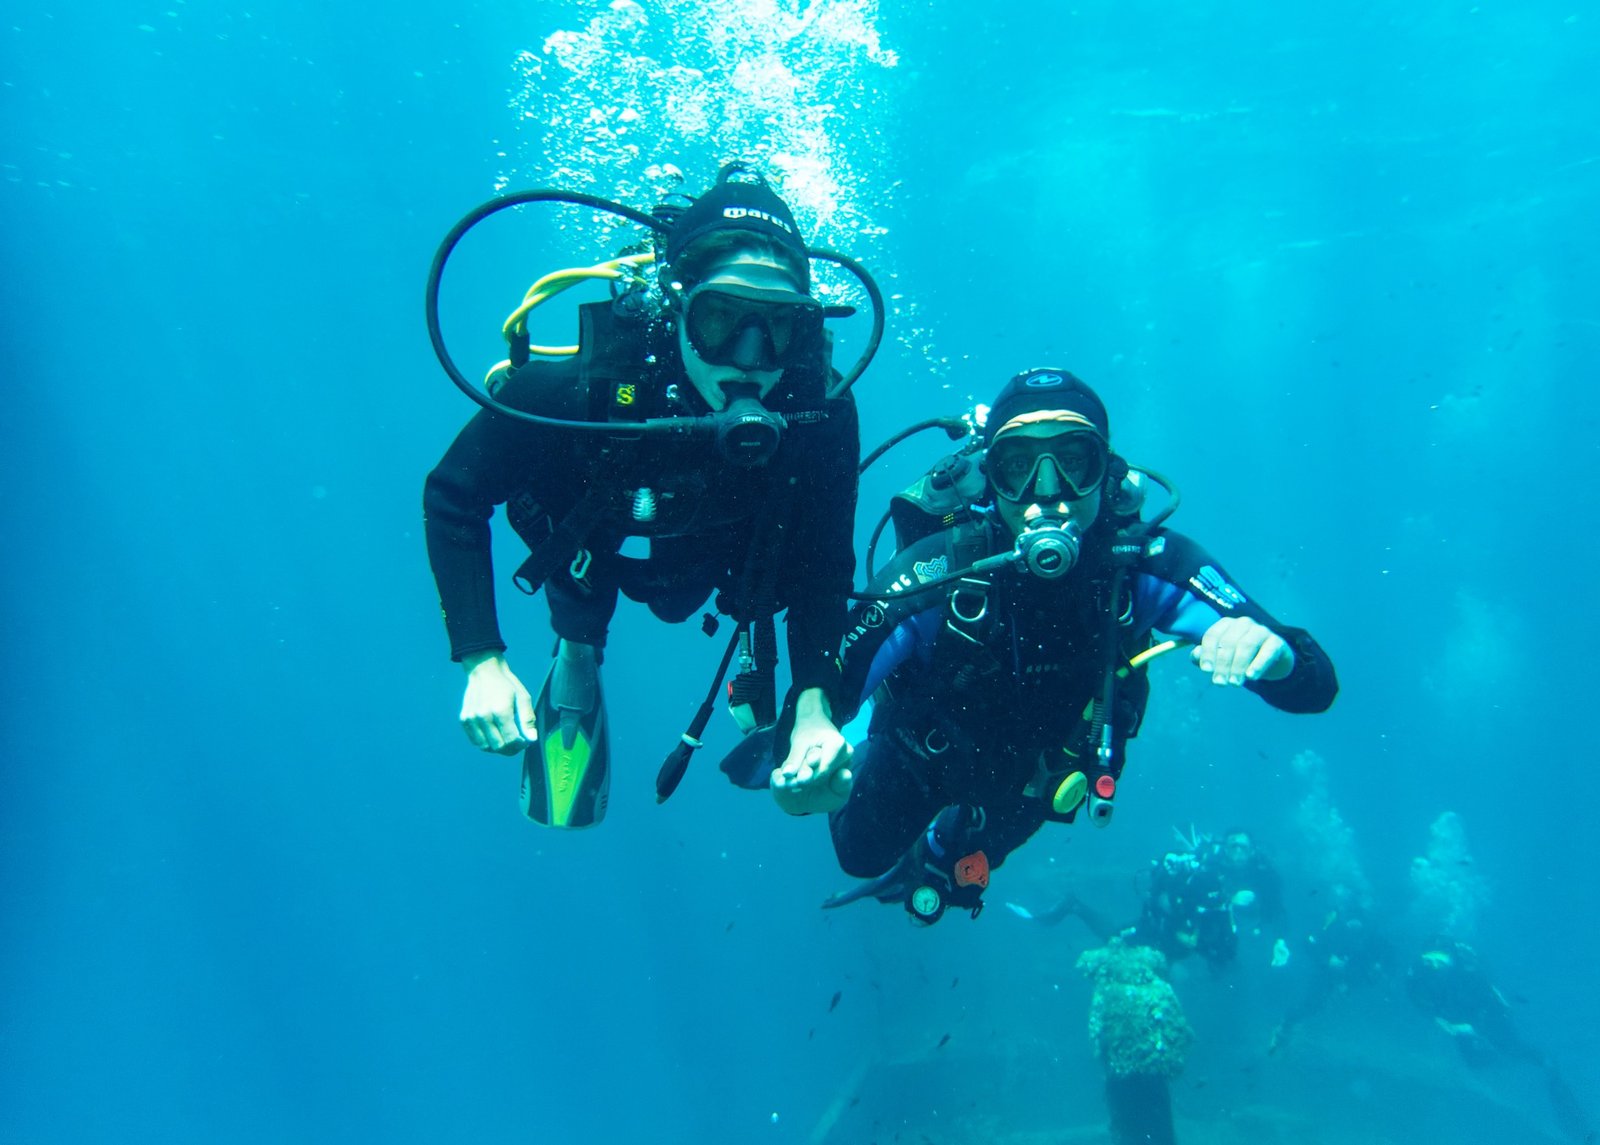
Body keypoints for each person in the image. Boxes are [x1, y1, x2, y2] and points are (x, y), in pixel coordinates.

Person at [423, 164, 860, 827]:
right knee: (578, 547)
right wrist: (482, 660)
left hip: (727, 540)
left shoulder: (819, 405)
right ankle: (574, 649)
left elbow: (824, 566)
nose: (748, 356)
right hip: (598, 528)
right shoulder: (575, 387)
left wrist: (815, 709)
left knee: (733, 580)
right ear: (677, 307)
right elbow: (454, 496)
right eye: (721, 318)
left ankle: (760, 662)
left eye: (778, 327)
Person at [820, 368, 1338, 922]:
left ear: (1106, 470)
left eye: (1074, 461)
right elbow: (829, 681)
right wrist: (815, 727)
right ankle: (865, 747)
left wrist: (1275, 656)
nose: (1047, 492)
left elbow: (1314, 683)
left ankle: (943, 848)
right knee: (859, 854)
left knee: (954, 863)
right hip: (926, 752)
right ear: (991, 478)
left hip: (1041, 775)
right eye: (1018, 466)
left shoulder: (1145, 564)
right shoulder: (942, 566)